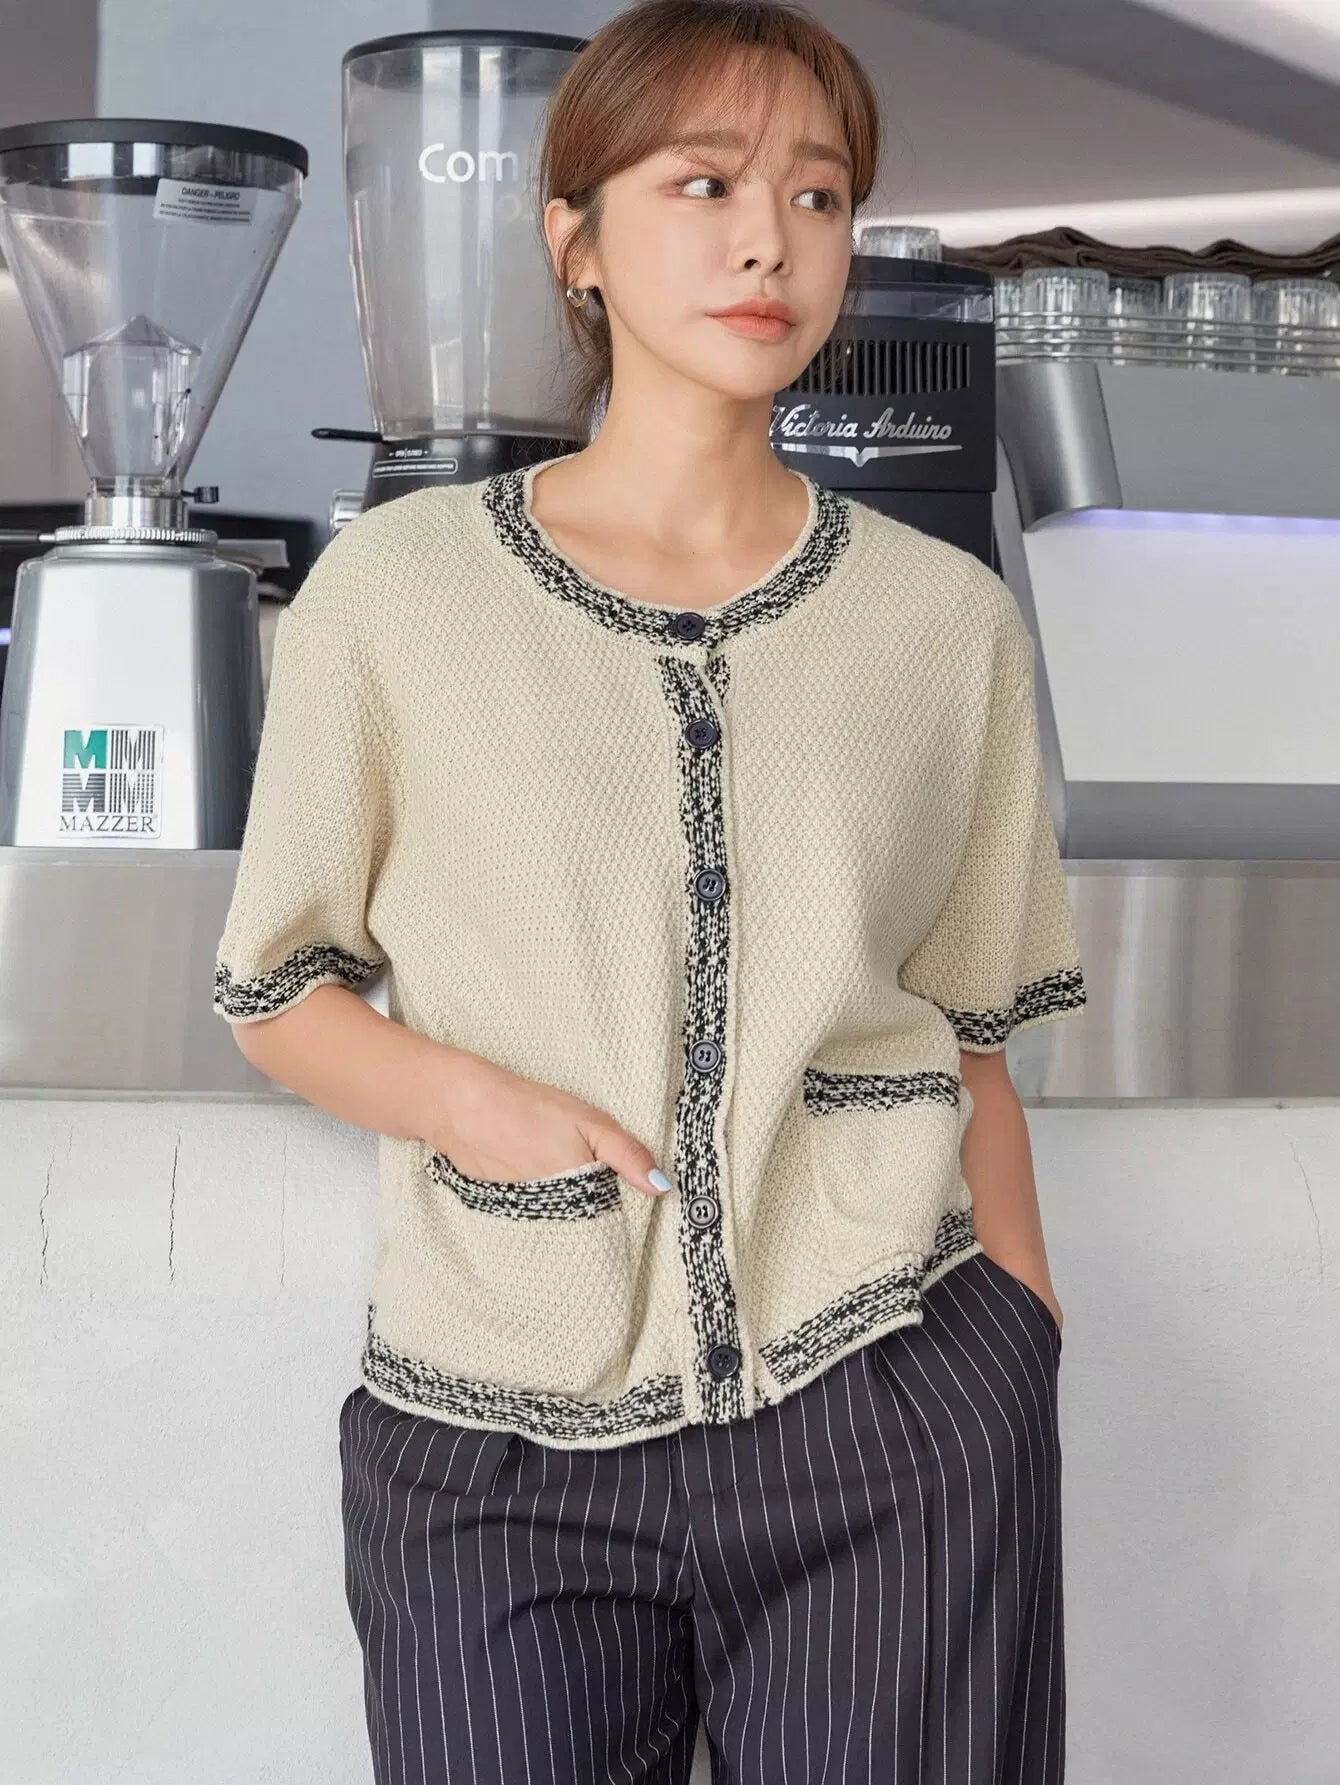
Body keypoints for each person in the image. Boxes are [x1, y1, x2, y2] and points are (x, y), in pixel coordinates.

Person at [213, 2, 1087, 1779]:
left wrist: (1019, 1341)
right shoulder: (396, 592)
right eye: (705, 185)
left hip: (888, 1398)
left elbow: (976, 1026)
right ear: (577, 242)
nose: (771, 241)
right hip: (495, 1427)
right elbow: (276, 989)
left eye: (818, 196)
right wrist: (477, 1105)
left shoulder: (946, 627)